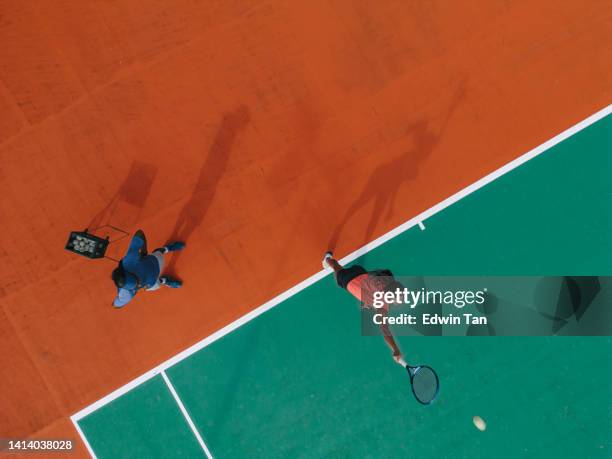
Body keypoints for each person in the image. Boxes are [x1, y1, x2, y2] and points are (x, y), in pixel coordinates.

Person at [322, 251, 405, 365]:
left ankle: (329, 260)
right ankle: (327, 260)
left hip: (359, 271)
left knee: (340, 269)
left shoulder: (385, 283)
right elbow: (385, 331)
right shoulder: (382, 307)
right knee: (336, 271)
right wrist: (395, 349)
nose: (398, 301)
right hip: (347, 280)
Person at [111, 229, 185, 308]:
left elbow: (139, 234)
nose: (139, 283)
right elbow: (116, 306)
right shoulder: (125, 293)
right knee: (158, 284)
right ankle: (165, 280)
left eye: (136, 279)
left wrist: (144, 251)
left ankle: (167, 248)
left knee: (159, 251)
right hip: (151, 284)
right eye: (137, 286)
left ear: (130, 272)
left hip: (155, 261)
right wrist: (115, 303)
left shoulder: (129, 260)